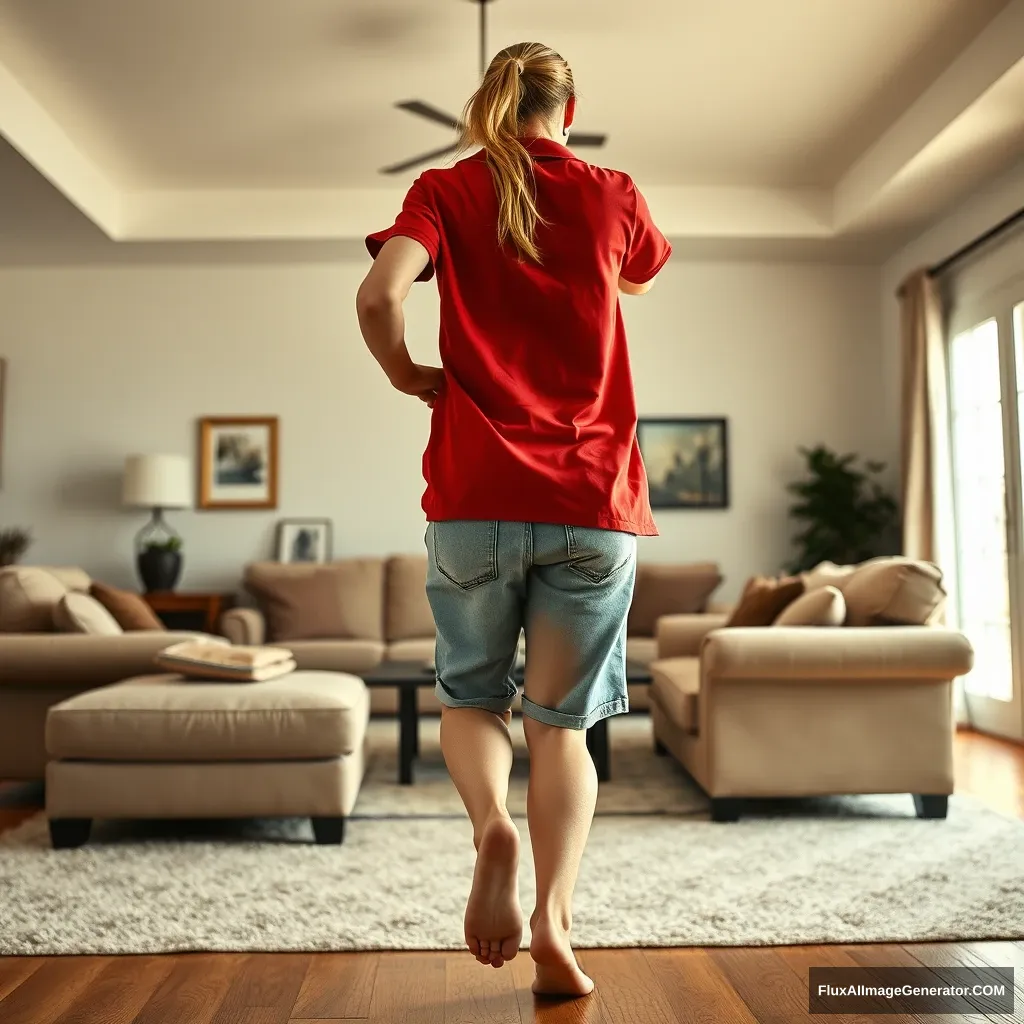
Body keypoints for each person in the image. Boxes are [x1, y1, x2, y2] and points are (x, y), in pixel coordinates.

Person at [356, 40, 670, 998]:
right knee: (561, 728)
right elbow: (639, 279)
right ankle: (555, 924)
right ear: (567, 110)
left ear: (490, 105)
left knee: (471, 699)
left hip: (473, 499)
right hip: (592, 499)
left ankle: (491, 828)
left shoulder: (445, 190)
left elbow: (378, 295)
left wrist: (413, 375)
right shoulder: (613, 191)